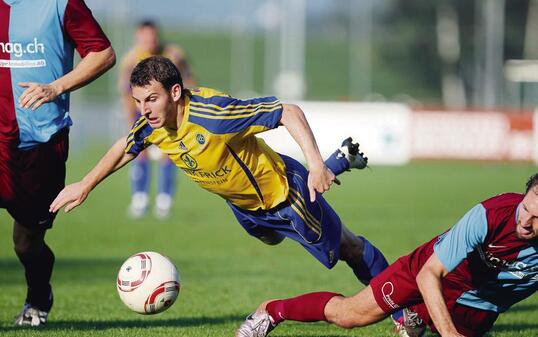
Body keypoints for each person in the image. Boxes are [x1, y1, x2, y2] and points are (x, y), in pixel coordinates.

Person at [50, 55, 391, 298]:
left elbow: (288, 112)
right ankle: (339, 161)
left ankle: (405, 312)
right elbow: (126, 145)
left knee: (348, 248)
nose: (144, 110)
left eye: (151, 99)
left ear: (174, 93)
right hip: (244, 207)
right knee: (271, 240)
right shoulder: (153, 125)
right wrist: (85, 184)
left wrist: (316, 164)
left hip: (287, 196)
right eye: (138, 101)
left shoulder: (214, 116)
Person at [235, 173, 538, 337]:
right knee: (349, 315)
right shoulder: (491, 214)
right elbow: (429, 275)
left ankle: (413, 318)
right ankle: (270, 311)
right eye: (525, 208)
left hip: (478, 305)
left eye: (537, 219)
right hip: (429, 272)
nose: (525, 222)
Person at [0, 0, 115, 327]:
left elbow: (103, 54)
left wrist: (56, 87)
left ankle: (38, 296)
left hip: (40, 142)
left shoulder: (60, 4)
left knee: (26, 243)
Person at [119, 20, 195, 219]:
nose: (149, 40)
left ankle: (164, 201)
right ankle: (140, 200)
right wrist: (130, 119)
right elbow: (126, 94)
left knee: (169, 153)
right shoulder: (131, 59)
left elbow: (189, 79)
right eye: (144, 36)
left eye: (152, 36)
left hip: (170, 111)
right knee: (138, 152)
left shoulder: (173, 54)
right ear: (138, 37)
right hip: (142, 112)